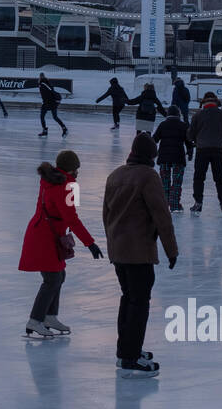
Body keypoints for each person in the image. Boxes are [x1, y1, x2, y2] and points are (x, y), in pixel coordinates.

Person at [103, 133, 178, 377]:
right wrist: (171, 250)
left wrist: (112, 244)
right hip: (139, 253)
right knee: (139, 304)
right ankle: (131, 357)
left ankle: (126, 351)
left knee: (128, 300)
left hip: (119, 251)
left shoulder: (115, 175)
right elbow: (162, 216)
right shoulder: (148, 176)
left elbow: (107, 215)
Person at [17, 150, 102, 338]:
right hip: (45, 238)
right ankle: (35, 320)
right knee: (52, 278)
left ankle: (49, 316)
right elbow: (72, 218)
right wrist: (90, 244)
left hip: (42, 232)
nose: (78, 172)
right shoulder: (68, 185)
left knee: (58, 275)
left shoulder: (49, 179)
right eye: (77, 169)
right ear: (72, 169)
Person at [188, 92, 222, 213]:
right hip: (218, 150)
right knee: (220, 178)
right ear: (216, 103)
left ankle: (198, 202)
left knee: (199, 177)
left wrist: (196, 140)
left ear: (203, 103)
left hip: (202, 150)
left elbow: (189, 134)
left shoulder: (198, 115)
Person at [154, 105, 193, 211]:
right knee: (177, 182)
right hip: (178, 157)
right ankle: (175, 205)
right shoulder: (183, 125)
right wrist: (190, 153)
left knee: (164, 182)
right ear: (178, 114)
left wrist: (152, 153)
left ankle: (164, 204)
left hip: (164, 158)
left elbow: (154, 139)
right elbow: (189, 141)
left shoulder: (163, 125)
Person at [37, 73, 67, 137]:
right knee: (53, 117)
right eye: (40, 76)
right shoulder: (43, 83)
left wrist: (55, 99)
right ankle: (64, 128)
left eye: (41, 77)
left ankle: (64, 129)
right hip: (49, 102)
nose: (40, 78)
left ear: (42, 77)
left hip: (50, 102)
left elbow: (51, 91)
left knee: (44, 116)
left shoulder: (44, 83)